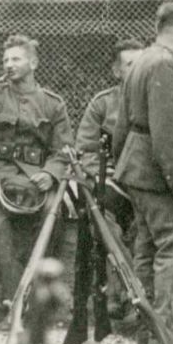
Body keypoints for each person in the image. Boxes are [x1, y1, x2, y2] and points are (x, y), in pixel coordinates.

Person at [0, 33, 73, 318]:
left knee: (53, 214)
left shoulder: (52, 104)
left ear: (33, 63)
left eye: (16, 59)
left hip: (35, 177)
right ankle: (14, 300)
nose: (9, 65)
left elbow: (63, 150)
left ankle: (37, 294)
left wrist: (50, 174)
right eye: (5, 60)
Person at [113, 0, 173, 344]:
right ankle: (170, 338)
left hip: (137, 169)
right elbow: (169, 137)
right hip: (156, 172)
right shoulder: (165, 65)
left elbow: (121, 125)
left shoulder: (142, 61)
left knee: (147, 249)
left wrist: (123, 166)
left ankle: (148, 334)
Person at [75, 38, 144, 235]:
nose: (138, 70)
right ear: (117, 71)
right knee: (102, 212)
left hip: (146, 181)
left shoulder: (159, 103)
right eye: (130, 65)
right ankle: (116, 255)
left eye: (142, 64)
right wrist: (105, 175)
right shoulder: (102, 104)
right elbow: (86, 151)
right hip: (112, 181)